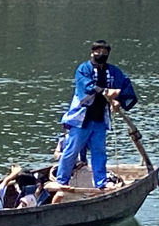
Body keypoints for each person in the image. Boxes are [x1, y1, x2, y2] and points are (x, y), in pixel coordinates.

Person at [57, 40, 138, 189]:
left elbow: (124, 84)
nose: (101, 55)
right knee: (71, 150)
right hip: (82, 119)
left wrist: (118, 98)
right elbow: (86, 87)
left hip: (100, 118)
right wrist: (106, 92)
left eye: (104, 53)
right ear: (92, 52)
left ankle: (101, 182)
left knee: (99, 152)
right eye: (98, 52)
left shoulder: (113, 72)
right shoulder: (83, 69)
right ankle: (62, 181)